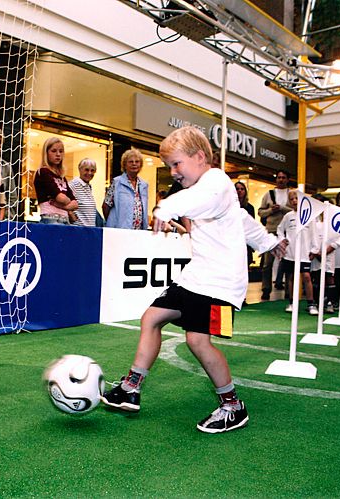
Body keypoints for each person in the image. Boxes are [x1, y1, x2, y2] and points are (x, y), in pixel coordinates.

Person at [101, 126, 285, 434]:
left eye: (176, 164)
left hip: (219, 282)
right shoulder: (208, 190)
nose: (172, 172)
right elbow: (244, 223)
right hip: (196, 277)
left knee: (197, 340)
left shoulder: (216, 183)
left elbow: (200, 200)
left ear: (200, 157)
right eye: (169, 166)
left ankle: (232, 407)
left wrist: (166, 207)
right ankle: (131, 388)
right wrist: (269, 243)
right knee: (152, 318)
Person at [276, 190, 319, 315]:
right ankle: (292, 303)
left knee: (306, 277)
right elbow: (280, 229)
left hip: (304, 253)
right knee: (291, 277)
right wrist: (282, 240)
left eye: (297, 198)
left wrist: (314, 249)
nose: (294, 201)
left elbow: (315, 233)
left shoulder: (310, 216)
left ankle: (311, 304)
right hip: (290, 253)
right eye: (292, 199)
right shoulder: (288, 216)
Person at [257, 169, 292, 300]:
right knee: (267, 263)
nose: (281, 180)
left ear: (288, 179)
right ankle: (266, 289)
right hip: (271, 230)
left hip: (287, 232)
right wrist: (271, 210)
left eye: (283, 177)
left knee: (288, 262)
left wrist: (282, 208)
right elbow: (260, 212)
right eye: (279, 177)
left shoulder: (291, 194)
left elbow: (297, 211)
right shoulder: (269, 194)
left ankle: (289, 290)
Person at [33, 137, 77, 225]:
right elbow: (60, 197)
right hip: (50, 218)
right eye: (53, 151)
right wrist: (66, 203)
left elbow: (75, 204)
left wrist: (59, 204)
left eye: (61, 151)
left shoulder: (62, 176)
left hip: (64, 219)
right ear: (46, 153)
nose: (58, 154)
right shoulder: (43, 172)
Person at [103, 148, 148, 229]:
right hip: (120, 231)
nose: (134, 164)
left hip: (139, 232)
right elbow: (106, 206)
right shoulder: (117, 182)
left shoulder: (144, 185)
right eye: (131, 162)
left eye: (137, 161)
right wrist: (114, 222)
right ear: (124, 165)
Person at [68, 158, 100, 227]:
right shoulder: (73, 184)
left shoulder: (88, 186)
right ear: (80, 169)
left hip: (89, 230)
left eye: (92, 170)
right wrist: (70, 213)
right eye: (86, 170)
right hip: (78, 230)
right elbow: (63, 203)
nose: (89, 173)